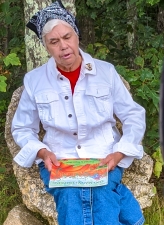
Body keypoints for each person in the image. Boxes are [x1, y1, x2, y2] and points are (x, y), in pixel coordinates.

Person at [11, 1, 146, 224]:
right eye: (54, 41)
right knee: (71, 194)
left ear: (77, 36)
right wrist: (43, 152)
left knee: (101, 192)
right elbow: (22, 128)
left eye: (67, 37)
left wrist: (120, 152)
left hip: (104, 156)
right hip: (60, 159)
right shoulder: (35, 80)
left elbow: (133, 115)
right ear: (46, 46)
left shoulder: (106, 72)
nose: (63, 46)